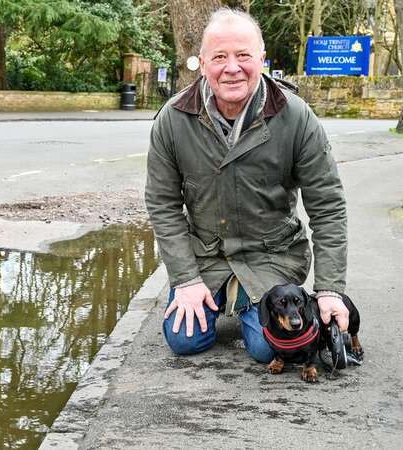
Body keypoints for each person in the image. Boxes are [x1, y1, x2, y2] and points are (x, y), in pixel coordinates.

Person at [145, 7, 350, 363]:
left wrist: (330, 289)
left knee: (268, 348)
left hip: (272, 257)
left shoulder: (296, 116)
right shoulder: (173, 118)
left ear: (262, 58)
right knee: (183, 341)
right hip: (207, 258)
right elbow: (163, 205)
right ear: (203, 61)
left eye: (243, 55)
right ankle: (228, 299)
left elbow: (327, 206)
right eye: (220, 56)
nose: (232, 67)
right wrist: (185, 281)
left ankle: (249, 304)